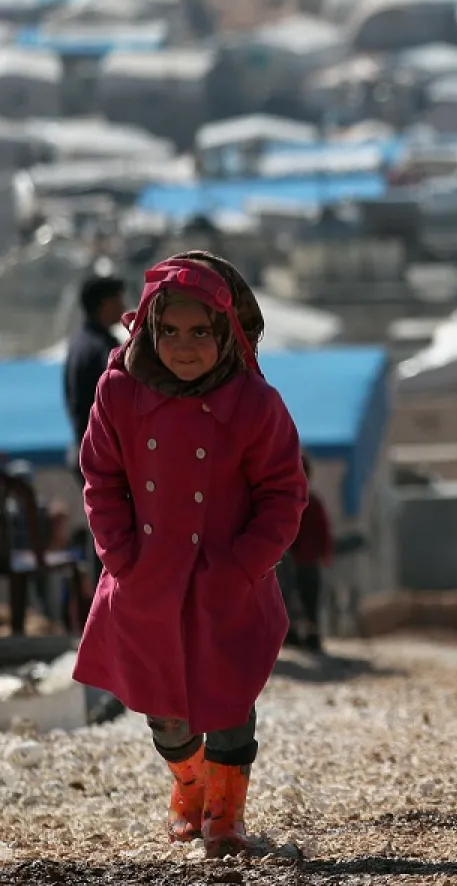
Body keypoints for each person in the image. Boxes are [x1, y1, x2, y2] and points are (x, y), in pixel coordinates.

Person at [71, 251, 307, 857]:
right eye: (170, 331)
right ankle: (189, 789)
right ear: (148, 328)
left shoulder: (255, 403)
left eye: (201, 331)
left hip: (228, 580)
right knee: (165, 713)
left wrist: (244, 564)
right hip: (147, 576)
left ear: (226, 333)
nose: (184, 345)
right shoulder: (118, 391)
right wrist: (120, 553)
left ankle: (225, 820)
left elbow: (284, 493)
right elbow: (100, 475)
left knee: (230, 701)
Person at [64, 275, 126, 482]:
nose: (124, 305)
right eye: (118, 299)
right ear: (105, 304)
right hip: (103, 455)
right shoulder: (100, 348)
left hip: (88, 449)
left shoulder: (80, 342)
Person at [279, 454, 333, 653]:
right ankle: (301, 635)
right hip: (298, 561)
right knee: (297, 598)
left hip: (300, 561)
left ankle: (305, 635)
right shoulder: (303, 501)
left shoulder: (304, 501)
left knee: (301, 599)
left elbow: (322, 531)